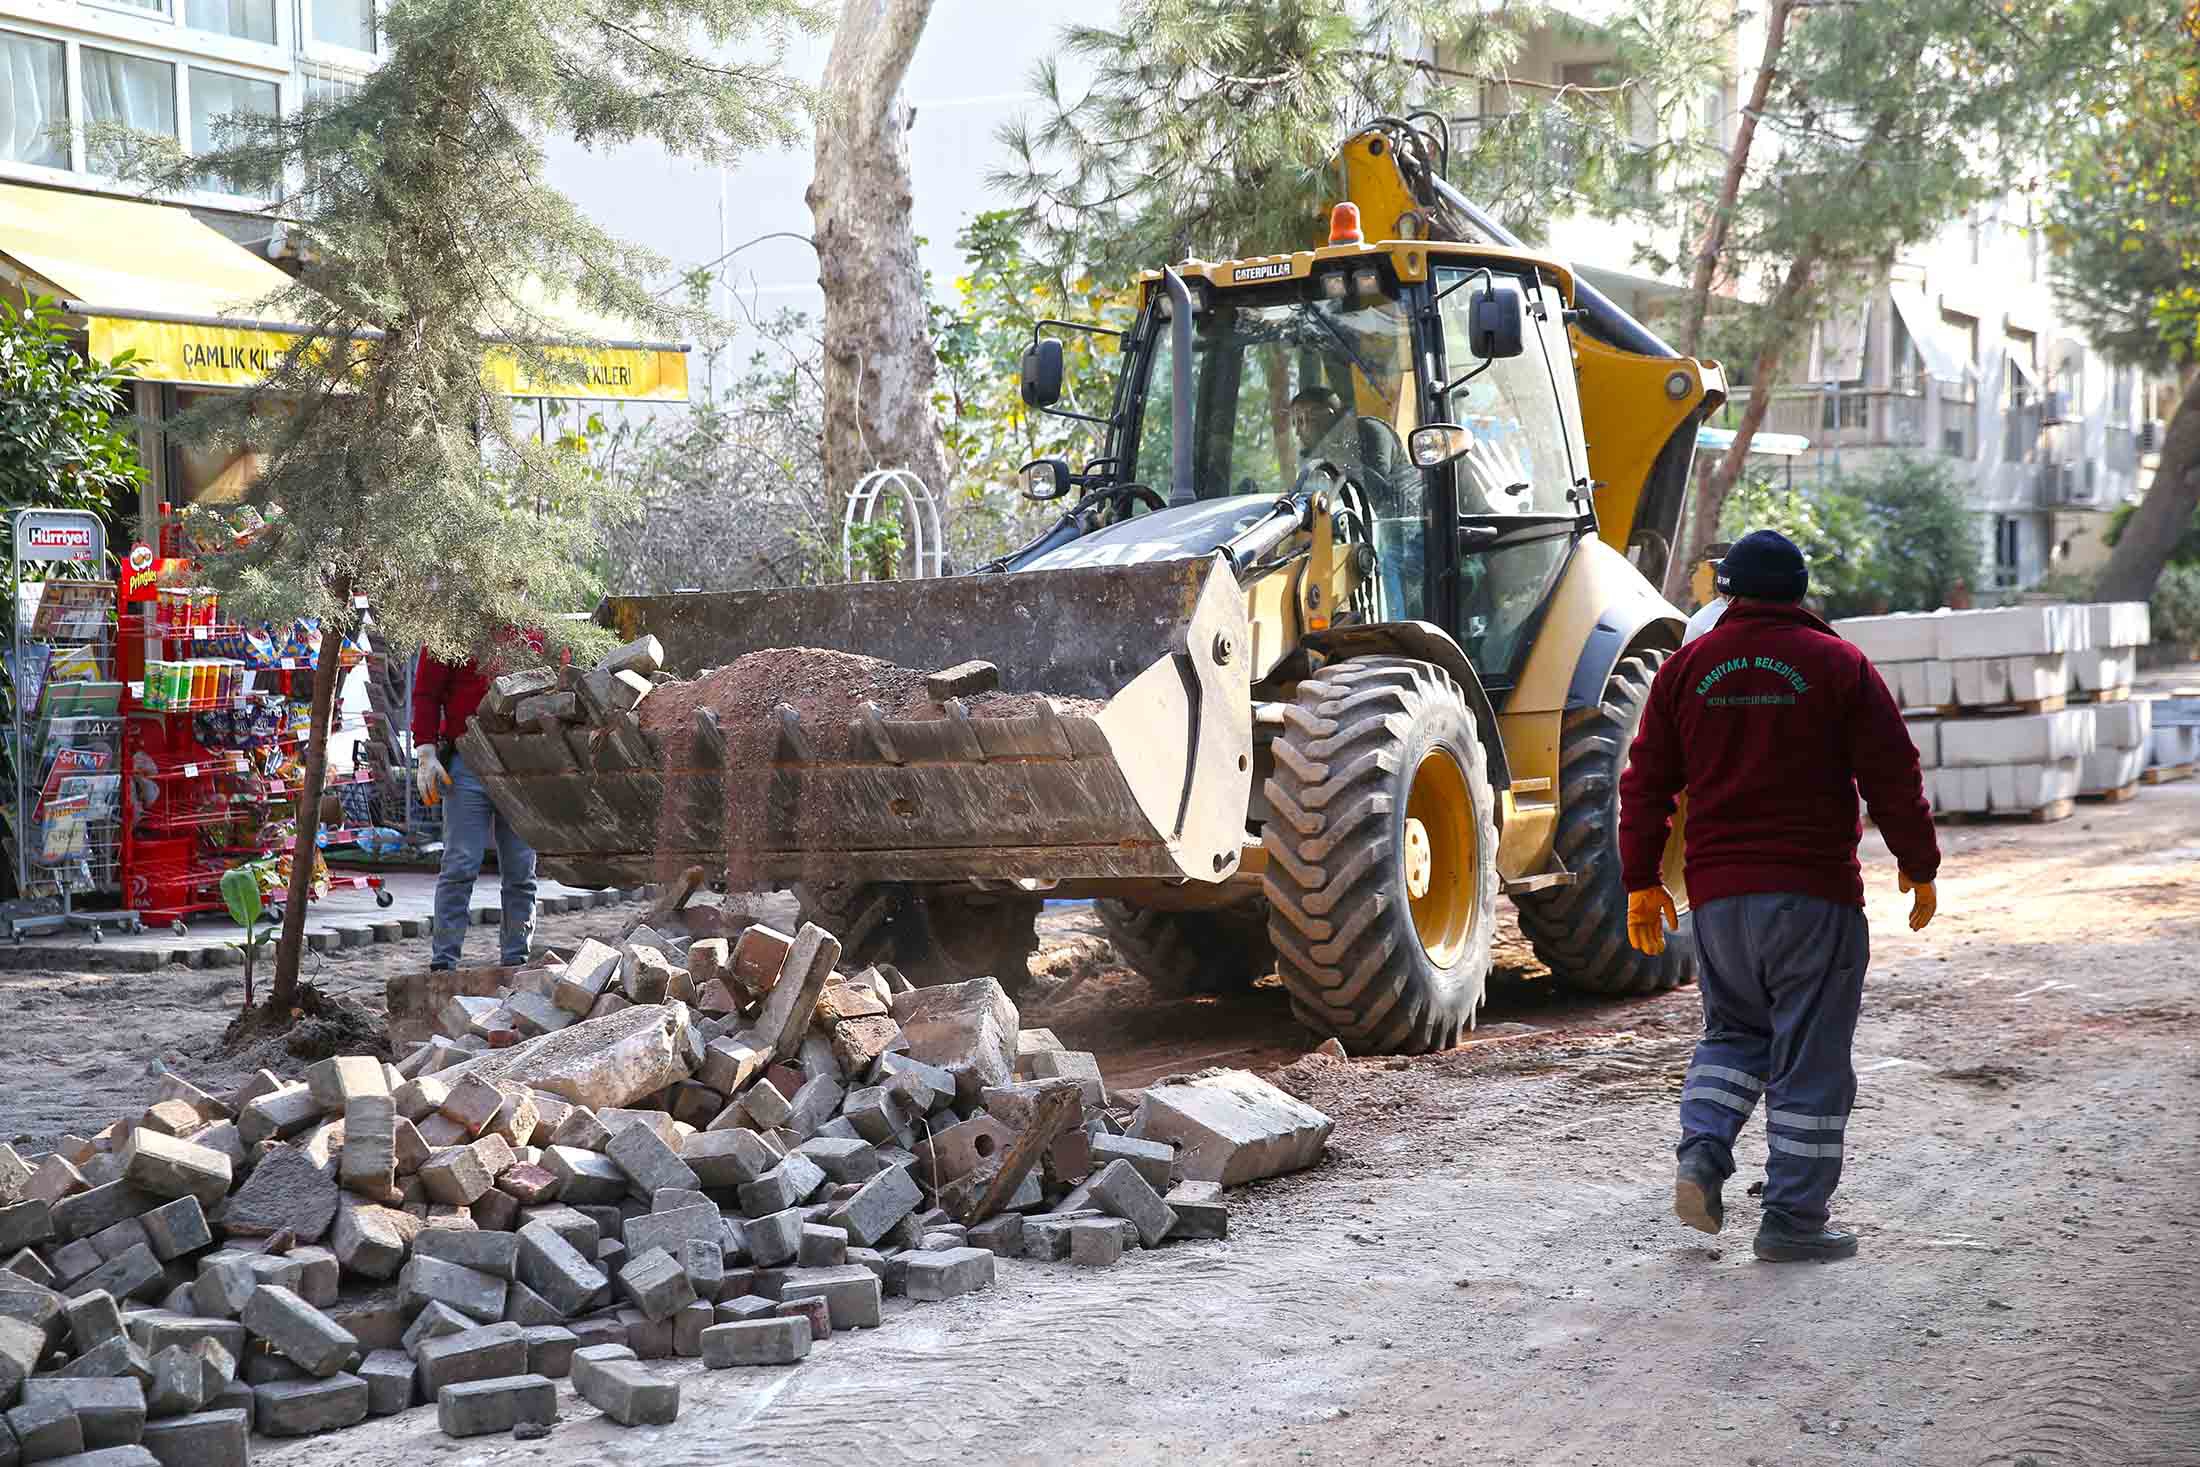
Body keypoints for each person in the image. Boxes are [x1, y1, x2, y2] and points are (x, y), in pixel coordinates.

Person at [1617, 529, 1940, 1263]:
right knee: (1810, 1059)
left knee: (1733, 1037)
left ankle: (1701, 1151)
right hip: (1813, 900)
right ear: (1800, 595)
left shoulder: (1685, 669)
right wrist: (1919, 861)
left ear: (1726, 592)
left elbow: (1645, 784)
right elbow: (1894, 773)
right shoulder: (1839, 664)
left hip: (1720, 906)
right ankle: (1793, 1220)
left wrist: (1640, 879)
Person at [414, 639, 541, 971]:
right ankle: (444, 963)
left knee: (521, 870)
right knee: (459, 865)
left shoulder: (538, 630)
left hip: (523, 764)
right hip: (467, 758)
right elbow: (426, 692)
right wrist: (425, 750)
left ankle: (516, 961)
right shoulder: (455, 627)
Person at [1290, 385, 1401, 495]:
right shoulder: (1321, 453)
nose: (1297, 433)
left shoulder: (1370, 431)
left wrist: (1342, 460)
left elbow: (1380, 493)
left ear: (1326, 416)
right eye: (1295, 424)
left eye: (1301, 421)